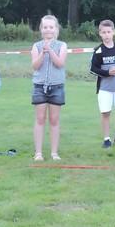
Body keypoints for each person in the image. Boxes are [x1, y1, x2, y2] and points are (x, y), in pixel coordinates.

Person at [31, 14, 67, 162]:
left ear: (56, 29)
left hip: (56, 87)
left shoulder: (62, 45)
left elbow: (60, 63)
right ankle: (38, 153)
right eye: (45, 27)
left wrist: (50, 50)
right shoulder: (36, 46)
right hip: (40, 86)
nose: (48, 30)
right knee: (40, 119)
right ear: (41, 29)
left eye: (51, 27)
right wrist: (42, 52)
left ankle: (54, 153)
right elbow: (35, 66)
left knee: (54, 120)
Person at [90, 19, 115, 148]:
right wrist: (107, 72)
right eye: (104, 32)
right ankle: (107, 139)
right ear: (100, 34)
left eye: (108, 32)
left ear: (113, 32)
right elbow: (93, 69)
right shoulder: (98, 51)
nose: (106, 35)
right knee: (106, 113)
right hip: (105, 88)